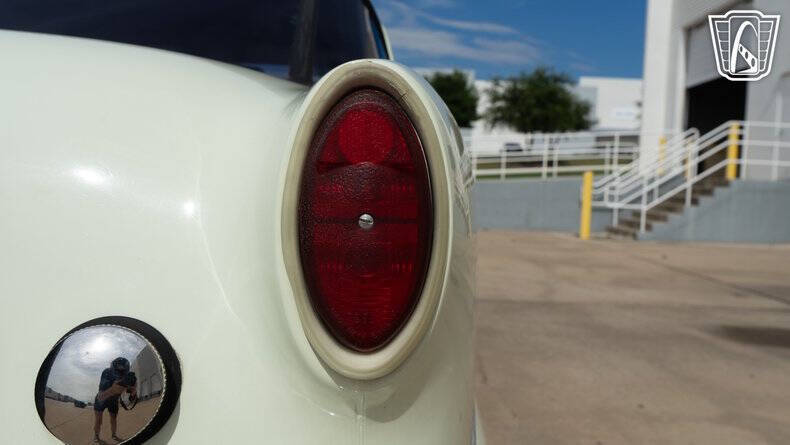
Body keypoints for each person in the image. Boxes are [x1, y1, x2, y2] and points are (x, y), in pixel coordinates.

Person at [93, 357, 137, 443]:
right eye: (117, 373)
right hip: (102, 400)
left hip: (114, 400)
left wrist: (133, 392)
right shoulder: (107, 372)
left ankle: (114, 435)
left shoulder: (129, 377)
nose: (119, 377)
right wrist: (112, 390)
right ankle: (96, 435)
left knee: (113, 419)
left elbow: (131, 399)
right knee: (98, 420)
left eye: (122, 374)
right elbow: (100, 397)